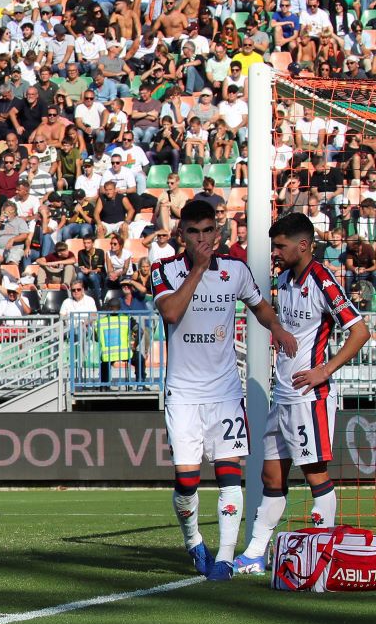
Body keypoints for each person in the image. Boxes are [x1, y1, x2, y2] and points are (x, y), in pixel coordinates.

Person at [151, 201, 297, 581]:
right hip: (183, 394)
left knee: (229, 475)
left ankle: (226, 557)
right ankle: (193, 539)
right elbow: (170, 313)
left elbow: (260, 307)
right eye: (193, 231)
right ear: (181, 233)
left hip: (226, 392)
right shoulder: (163, 270)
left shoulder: (236, 271)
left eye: (207, 231)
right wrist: (198, 269)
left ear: (218, 233)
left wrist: (277, 329)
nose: (201, 238)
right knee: (186, 481)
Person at [235, 213, 371, 574]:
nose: (275, 253)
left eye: (280, 246)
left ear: (304, 245)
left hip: (309, 398)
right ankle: (255, 553)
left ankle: (324, 555)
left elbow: (360, 332)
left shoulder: (324, 280)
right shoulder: (284, 279)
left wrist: (324, 370)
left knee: (314, 472)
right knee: (271, 477)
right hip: (283, 395)